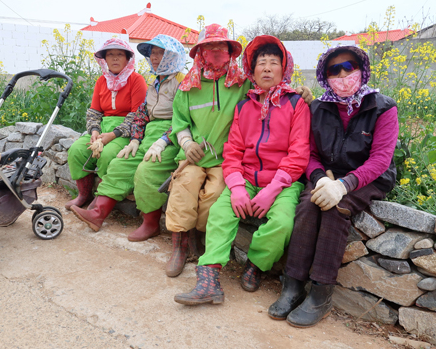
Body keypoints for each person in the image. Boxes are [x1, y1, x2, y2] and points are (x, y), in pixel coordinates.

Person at [164, 24, 313, 278]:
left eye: (221, 46)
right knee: (185, 186)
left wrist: (299, 90)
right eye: (208, 47)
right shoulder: (188, 86)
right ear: (200, 52)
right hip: (204, 160)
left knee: (217, 195)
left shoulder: (242, 84)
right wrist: (186, 143)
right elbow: (180, 121)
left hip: (242, 168)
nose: (215, 52)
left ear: (230, 52)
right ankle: (187, 252)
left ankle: (236, 257)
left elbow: (275, 93)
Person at [268, 45, 399, 328]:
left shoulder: (383, 107)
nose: (342, 74)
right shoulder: (318, 107)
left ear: (361, 69)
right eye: (334, 70)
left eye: (348, 67)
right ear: (325, 76)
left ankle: (321, 293)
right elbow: (310, 154)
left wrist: (343, 185)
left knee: (335, 208)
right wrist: (320, 179)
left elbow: (380, 160)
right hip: (327, 174)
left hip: (369, 176)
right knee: (307, 205)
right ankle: (292, 285)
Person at [71, 35, 186, 240]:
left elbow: (185, 119)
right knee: (120, 163)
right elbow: (142, 114)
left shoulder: (182, 83)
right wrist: (134, 139)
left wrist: (163, 141)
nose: (155, 58)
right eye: (153, 54)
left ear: (173, 55)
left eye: (161, 53)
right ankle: (98, 214)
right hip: (149, 134)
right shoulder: (156, 82)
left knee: (146, 170)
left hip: (172, 136)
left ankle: (151, 223)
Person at [66, 38, 147, 209]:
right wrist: (95, 130)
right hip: (103, 127)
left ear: (127, 59)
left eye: (120, 55)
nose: (115, 59)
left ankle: (100, 199)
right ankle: (84, 195)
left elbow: (137, 115)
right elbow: (94, 112)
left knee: (108, 154)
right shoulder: (102, 81)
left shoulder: (136, 80)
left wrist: (113, 135)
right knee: (77, 150)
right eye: (111, 55)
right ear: (105, 59)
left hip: (125, 131)